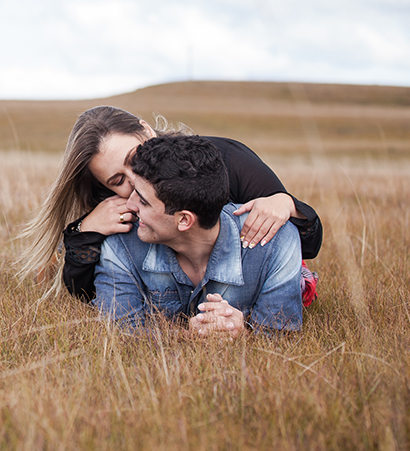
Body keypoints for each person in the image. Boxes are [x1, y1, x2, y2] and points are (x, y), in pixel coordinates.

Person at [17, 106, 321, 304]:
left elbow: (304, 245)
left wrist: (285, 203)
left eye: (132, 159)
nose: (134, 181)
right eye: (117, 180)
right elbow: (88, 294)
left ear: (146, 130)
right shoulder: (115, 203)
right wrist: (87, 232)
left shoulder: (225, 159)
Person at [94, 134, 303, 335]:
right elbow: (117, 332)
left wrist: (243, 332)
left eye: (143, 200)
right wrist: (191, 335)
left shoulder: (276, 242)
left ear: (184, 220)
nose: (129, 205)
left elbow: (280, 336)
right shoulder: (120, 243)